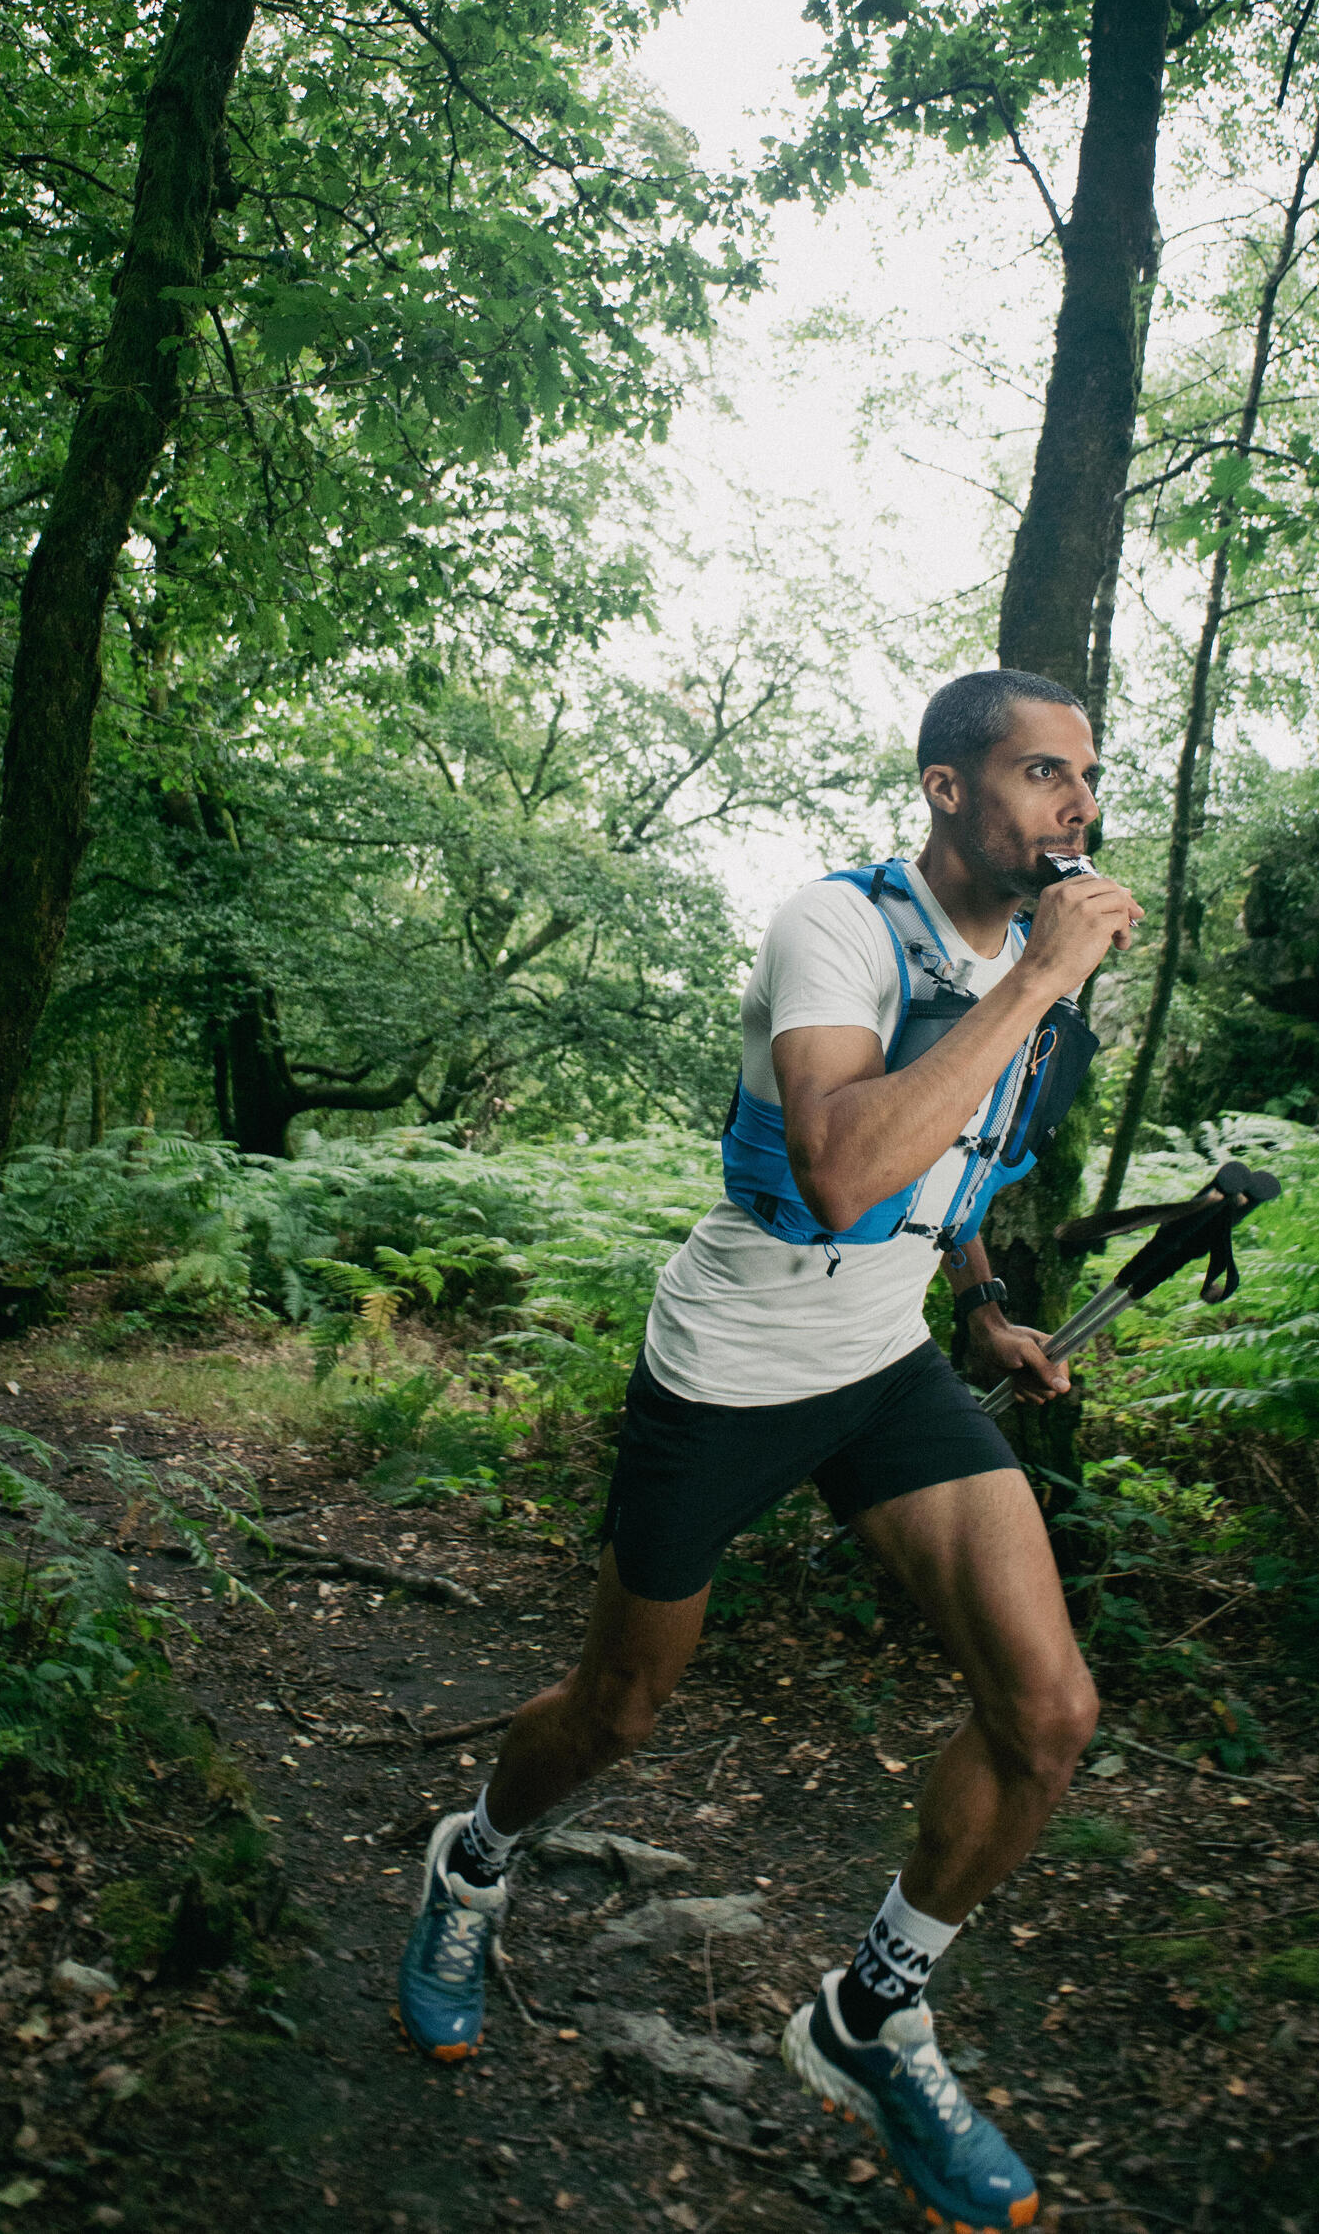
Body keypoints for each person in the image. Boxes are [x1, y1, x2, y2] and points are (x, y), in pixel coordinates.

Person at [394, 669, 1143, 2234]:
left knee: (1049, 1712)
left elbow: (958, 1163)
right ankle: (473, 1863)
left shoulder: (1017, 959)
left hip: (881, 1365)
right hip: (732, 1368)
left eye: (1087, 776)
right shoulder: (840, 928)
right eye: (1039, 773)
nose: (1075, 804)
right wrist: (1040, 987)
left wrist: (989, 1307)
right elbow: (846, 1161)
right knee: (620, 1710)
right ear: (949, 790)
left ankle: (873, 2012)